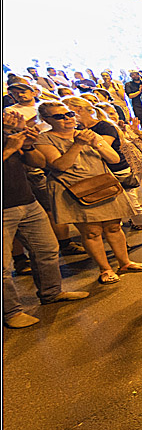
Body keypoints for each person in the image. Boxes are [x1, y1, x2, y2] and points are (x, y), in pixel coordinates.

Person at [34, 101, 142, 284]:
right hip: (74, 189)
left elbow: (114, 158)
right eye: (59, 116)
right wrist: (78, 144)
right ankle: (105, 269)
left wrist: (98, 144)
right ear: (46, 119)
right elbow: (60, 165)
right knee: (92, 232)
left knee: (114, 227)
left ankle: (125, 262)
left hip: (103, 183)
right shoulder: (44, 139)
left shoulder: (89, 133)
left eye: (69, 114)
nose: (67, 119)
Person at [3, 118, 89, 327]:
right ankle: (11, 312)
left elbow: (38, 163)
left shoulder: (7, 134)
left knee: (47, 250)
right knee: (3, 266)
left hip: (26, 201)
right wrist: (8, 149)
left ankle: (51, 293)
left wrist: (28, 146)